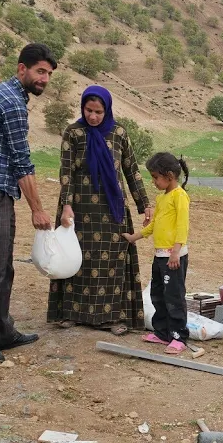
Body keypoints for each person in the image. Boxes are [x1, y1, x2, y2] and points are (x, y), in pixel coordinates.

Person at [0, 43, 56, 362]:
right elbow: (21, 160)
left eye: (48, 73)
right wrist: (38, 209)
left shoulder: (1, 93)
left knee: (3, 262)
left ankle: (2, 329)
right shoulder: (13, 104)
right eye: (40, 71)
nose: (44, 78)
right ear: (22, 69)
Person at [46, 85, 151, 335]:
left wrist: (144, 204)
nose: (93, 116)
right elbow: (66, 172)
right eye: (88, 110)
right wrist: (67, 205)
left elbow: (131, 170)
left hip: (112, 210)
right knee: (75, 260)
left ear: (107, 110)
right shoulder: (73, 133)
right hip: (79, 209)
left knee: (112, 263)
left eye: (98, 112)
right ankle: (71, 314)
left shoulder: (119, 134)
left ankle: (115, 318)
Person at [122, 152, 190, 355]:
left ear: (169, 175)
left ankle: (179, 336)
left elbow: (182, 226)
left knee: (174, 296)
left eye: (155, 177)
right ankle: (162, 333)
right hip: (160, 256)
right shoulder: (161, 199)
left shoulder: (180, 196)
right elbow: (155, 225)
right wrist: (135, 236)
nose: (153, 182)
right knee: (158, 294)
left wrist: (176, 251)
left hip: (173, 256)